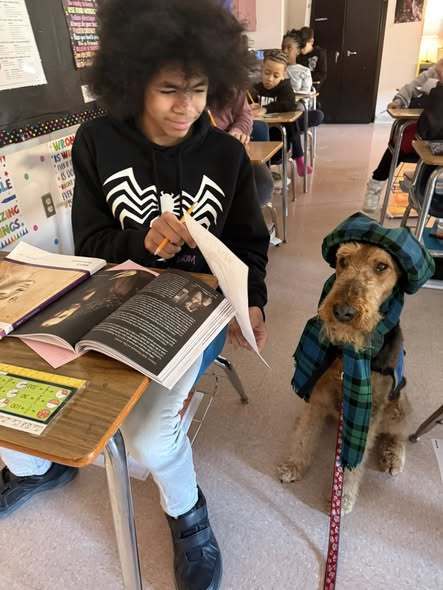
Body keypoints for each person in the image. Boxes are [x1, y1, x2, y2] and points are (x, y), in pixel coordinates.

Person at [0, 3, 269, 590]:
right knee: (20, 381)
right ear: (132, 82)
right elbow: (92, 240)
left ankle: (187, 510)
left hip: (197, 303)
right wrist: (141, 239)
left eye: (199, 90)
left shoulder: (225, 155)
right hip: (114, 292)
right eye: (169, 89)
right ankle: (35, 467)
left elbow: (250, 243)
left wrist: (255, 299)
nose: (187, 107)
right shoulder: (97, 140)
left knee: (147, 435)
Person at [362, 59, 443, 213]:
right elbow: (410, 88)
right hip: (426, 129)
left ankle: (422, 185)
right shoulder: (434, 73)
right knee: (401, 142)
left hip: (438, 138)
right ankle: (376, 184)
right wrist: (399, 101)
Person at [251, 49, 323, 177]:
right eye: (266, 73)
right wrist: (249, 107)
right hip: (266, 133)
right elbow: (245, 106)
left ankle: (299, 158)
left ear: (283, 74)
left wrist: (265, 109)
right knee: (293, 122)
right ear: (261, 70)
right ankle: (295, 160)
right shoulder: (256, 88)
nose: (270, 79)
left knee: (297, 120)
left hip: (283, 132)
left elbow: (288, 105)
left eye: (276, 75)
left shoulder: (285, 87)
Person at [210, 92, 275, 205]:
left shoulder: (233, 82)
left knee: (261, 184)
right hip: (198, 148)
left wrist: (237, 131)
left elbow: (244, 114)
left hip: (230, 143)